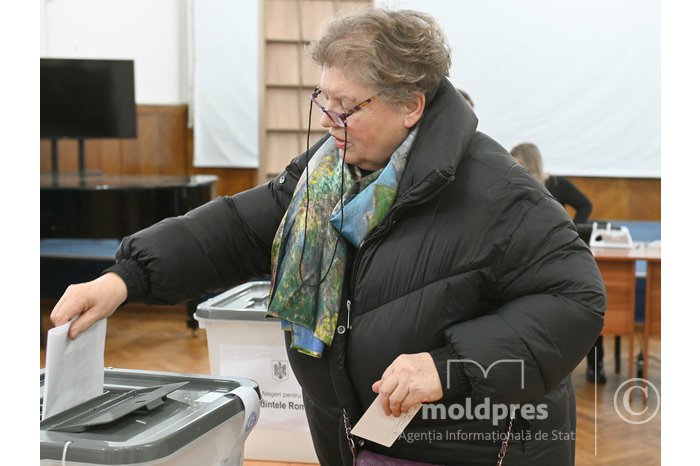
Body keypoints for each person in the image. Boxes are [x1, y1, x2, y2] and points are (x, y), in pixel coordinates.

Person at [51, 8, 605, 465]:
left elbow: (576, 298)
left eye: (346, 107)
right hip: (353, 433)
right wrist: (127, 276)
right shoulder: (327, 173)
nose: (327, 120)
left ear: (411, 105)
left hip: (466, 444)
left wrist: (449, 366)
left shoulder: (499, 194)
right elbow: (238, 228)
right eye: (324, 101)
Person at [510, 142, 605, 384]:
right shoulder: (516, 186)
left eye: (519, 163)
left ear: (531, 164)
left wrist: (572, 230)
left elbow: (585, 204)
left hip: (557, 257)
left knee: (580, 313)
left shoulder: (555, 184)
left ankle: (595, 366)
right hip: (528, 259)